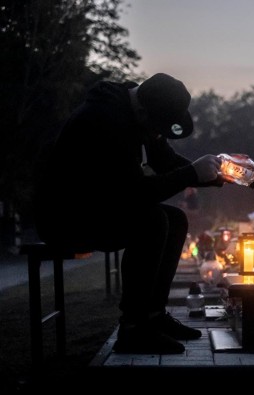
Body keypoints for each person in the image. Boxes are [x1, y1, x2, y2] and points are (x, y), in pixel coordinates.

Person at [34, 73, 223, 354]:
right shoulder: (104, 120)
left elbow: (165, 161)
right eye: (158, 129)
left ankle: (153, 316)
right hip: (67, 218)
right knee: (152, 220)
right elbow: (134, 194)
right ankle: (133, 329)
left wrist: (215, 174)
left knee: (175, 218)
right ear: (145, 113)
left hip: (99, 208)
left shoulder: (139, 110)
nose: (158, 135)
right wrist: (191, 173)